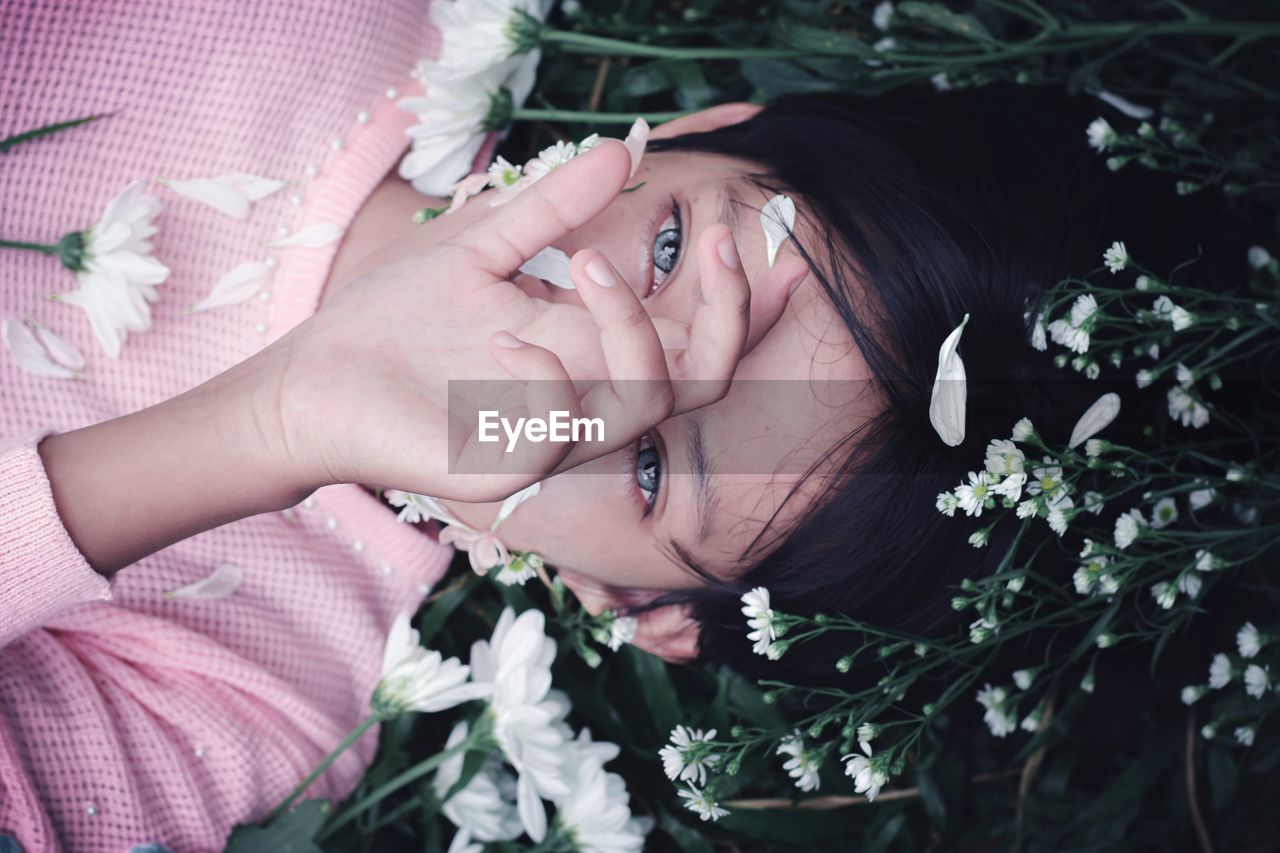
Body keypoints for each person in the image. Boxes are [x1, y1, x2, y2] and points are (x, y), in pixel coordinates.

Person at [2, 1, 1225, 848]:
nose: (592, 350)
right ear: (686, 137)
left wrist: (277, 422)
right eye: (674, 248)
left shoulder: (255, 694)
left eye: (648, 460)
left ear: (633, 613)